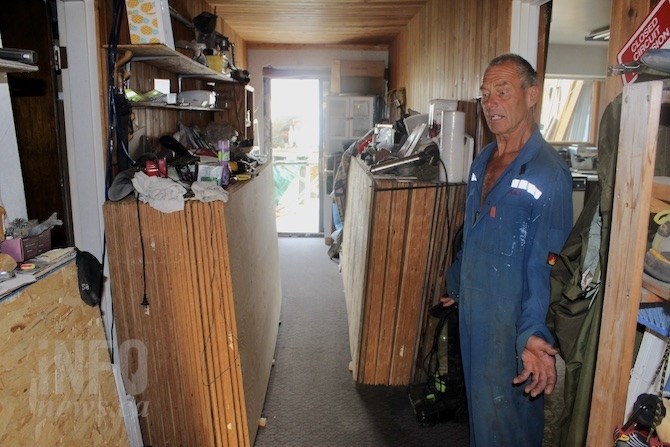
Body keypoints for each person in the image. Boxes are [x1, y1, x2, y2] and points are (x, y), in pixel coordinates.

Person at [441, 53, 573, 446]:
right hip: (475, 314)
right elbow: (473, 234)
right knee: (483, 417)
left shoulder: (549, 172)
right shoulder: (483, 160)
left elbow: (546, 266)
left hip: (512, 323)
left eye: (502, 91)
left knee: (510, 424)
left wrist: (533, 334)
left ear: (531, 95)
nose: (490, 104)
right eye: (485, 95)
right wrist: (458, 284)